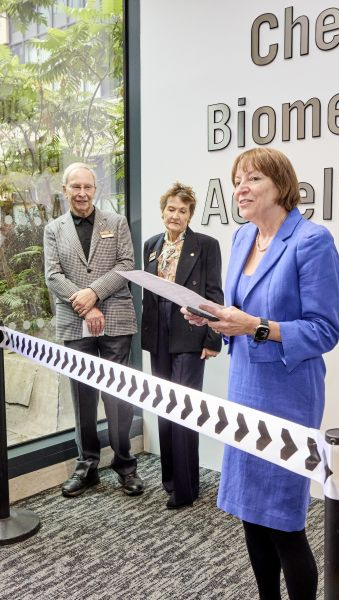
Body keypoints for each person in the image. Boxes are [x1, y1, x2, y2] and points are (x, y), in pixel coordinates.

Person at [184, 148, 339, 600]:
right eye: (237, 180)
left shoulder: (312, 241)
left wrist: (253, 326)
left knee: (284, 522)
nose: (241, 188)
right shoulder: (241, 238)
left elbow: (324, 330)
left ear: (280, 185)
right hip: (246, 387)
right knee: (252, 514)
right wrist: (213, 317)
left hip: (288, 394)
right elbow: (242, 312)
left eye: (252, 179)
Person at [44, 162, 143, 498]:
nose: (82, 193)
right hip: (75, 322)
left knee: (117, 396)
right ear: (65, 189)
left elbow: (127, 265)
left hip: (116, 319)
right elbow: (53, 275)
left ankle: (125, 464)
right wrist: (85, 303)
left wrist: (94, 293)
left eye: (88, 187)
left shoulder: (115, 222)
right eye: (76, 187)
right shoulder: (53, 229)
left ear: (95, 189)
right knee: (82, 397)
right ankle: (87, 464)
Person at [141, 182, 223, 509]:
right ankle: (171, 480)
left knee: (185, 410)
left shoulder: (206, 245)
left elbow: (214, 294)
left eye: (183, 210)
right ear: (163, 211)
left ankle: (187, 490)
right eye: (171, 209)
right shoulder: (151, 245)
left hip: (190, 336)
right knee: (164, 407)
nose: (176, 215)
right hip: (158, 336)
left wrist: (213, 337)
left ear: (190, 214)